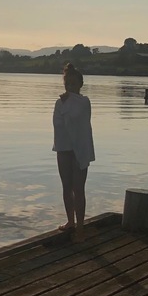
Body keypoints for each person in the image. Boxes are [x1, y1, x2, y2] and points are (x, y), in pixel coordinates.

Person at [53, 63, 95, 242]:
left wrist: (66, 105)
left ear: (80, 84)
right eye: (67, 84)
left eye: (73, 83)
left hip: (80, 149)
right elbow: (57, 124)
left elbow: (78, 121)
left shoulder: (84, 102)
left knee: (78, 189)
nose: (70, 87)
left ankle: (80, 228)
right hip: (63, 147)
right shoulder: (59, 102)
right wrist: (64, 104)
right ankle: (70, 221)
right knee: (66, 186)